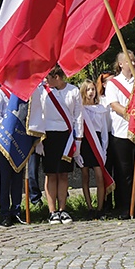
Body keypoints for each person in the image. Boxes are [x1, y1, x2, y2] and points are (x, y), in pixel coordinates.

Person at [105, 51, 135, 219]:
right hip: (121, 132)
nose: (134, 64)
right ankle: (124, 206)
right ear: (121, 64)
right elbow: (114, 105)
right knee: (124, 171)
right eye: (130, 61)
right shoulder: (113, 84)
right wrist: (129, 115)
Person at [38, 66, 81, 224]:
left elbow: (78, 116)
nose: (45, 80)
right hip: (49, 135)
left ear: (57, 76)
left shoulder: (73, 91)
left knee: (63, 174)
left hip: (67, 136)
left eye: (48, 77)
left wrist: (79, 139)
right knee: (50, 174)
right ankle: (52, 211)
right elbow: (37, 113)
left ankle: (63, 209)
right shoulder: (43, 91)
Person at [0, 86, 25, 227]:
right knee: (5, 178)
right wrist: (8, 126)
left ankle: (16, 210)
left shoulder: (21, 92)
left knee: (18, 175)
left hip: (19, 137)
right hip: (5, 138)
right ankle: (5, 213)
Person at [77, 79, 110, 219]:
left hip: (96, 143)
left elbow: (103, 131)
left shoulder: (100, 109)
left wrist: (104, 150)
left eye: (93, 89)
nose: (91, 92)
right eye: (88, 89)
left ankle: (100, 208)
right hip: (84, 143)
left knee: (99, 176)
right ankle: (89, 207)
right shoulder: (79, 109)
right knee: (85, 177)